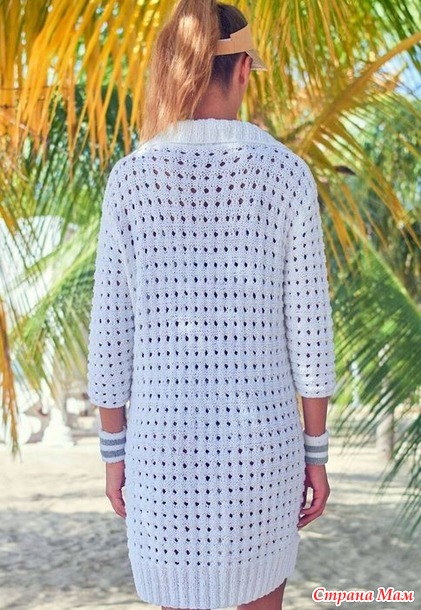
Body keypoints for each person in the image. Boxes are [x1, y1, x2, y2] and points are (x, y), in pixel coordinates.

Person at [87, 1, 336, 609]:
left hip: (161, 459)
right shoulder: (287, 176)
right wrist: (317, 455)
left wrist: (114, 456)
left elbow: (110, 339)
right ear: (244, 69)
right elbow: (310, 338)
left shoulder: (131, 179)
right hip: (263, 455)